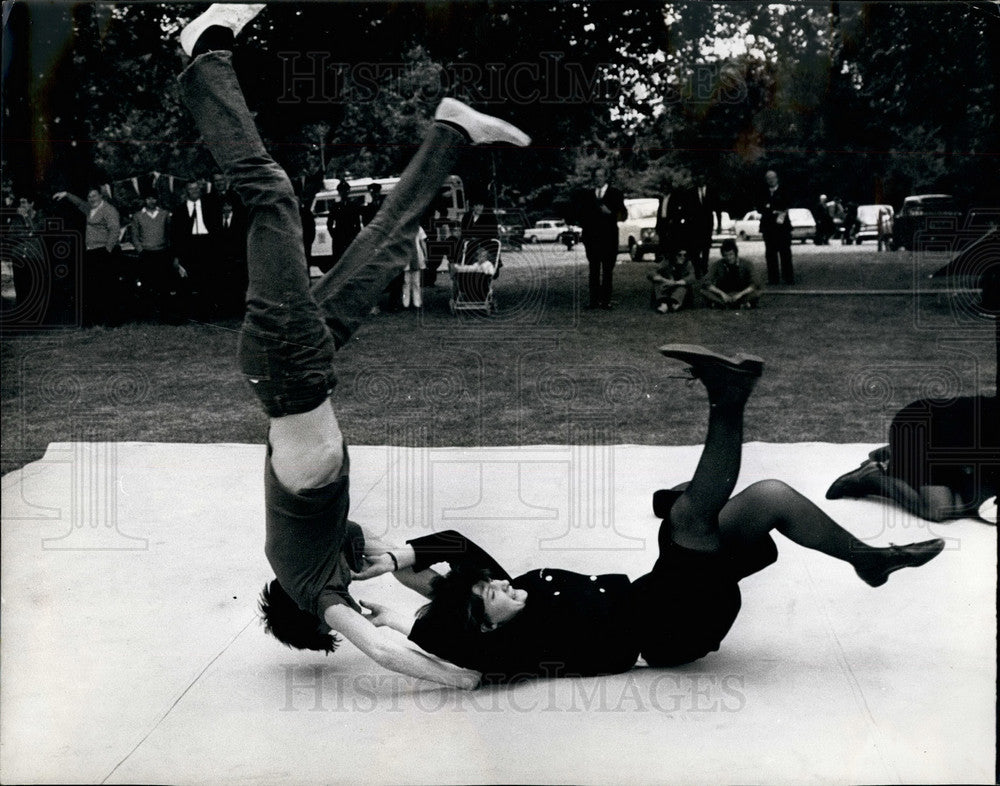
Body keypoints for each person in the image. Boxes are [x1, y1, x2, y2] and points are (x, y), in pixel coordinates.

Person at [176, 3, 529, 688]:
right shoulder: (325, 553)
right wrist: (414, 578)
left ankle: (204, 57)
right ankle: (453, 131)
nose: (353, 612)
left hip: (288, 368)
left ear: (312, 618)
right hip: (307, 364)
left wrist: (463, 678)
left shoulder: (313, 587)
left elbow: (382, 651)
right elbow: (402, 560)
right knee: (384, 247)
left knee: (273, 197)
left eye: (340, 619)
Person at [351, 345, 945, 682]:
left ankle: (868, 559)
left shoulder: (509, 598)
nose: (500, 583)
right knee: (686, 518)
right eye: (492, 597)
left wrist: (397, 559)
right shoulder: (513, 650)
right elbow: (449, 649)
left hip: (660, 590)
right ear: (487, 628)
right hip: (672, 630)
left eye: (492, 583)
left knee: (771, 496)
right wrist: (390, 621)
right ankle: (725, 397)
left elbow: (457, 547)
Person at [826, 395, 999, 523]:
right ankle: (873, 476)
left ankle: (894, 453)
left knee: (972, 503)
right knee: (938, 509)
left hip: (953, 442)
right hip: (922, 429)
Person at [53, 185, 121, 325]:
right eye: (89, 197)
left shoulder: (109, 210)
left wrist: (107, 250)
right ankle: (96, 319)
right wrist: (66, 194)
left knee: (107, 286)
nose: (91, 199)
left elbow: (115, 230)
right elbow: (79, 203)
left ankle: (112, 320)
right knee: (93, 286)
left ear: (101, 196)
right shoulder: (90, 209)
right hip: (91, 251)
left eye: (94, 196)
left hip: (104, 251)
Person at [578, 166, 626, 310]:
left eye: (601, 176)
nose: (598, 179)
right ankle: (593, 300)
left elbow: (623, 215)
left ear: (606, 177)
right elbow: (582, 214)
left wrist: (610, 213)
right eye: (596, 176)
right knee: (593, 270)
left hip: (609, 238)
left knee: (607, 270)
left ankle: (606, 301)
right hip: (592, 238)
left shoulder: (615, 194)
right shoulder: (587, 195)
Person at [172, 178, 218, 317]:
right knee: (187, 280)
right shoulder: (179, 210)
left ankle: (205, 313)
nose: (194, 191)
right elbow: (175, 235)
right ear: (186, 191)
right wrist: (177, 256)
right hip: (188, 246)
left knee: (206, 279)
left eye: (197, 188)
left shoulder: (210, 206)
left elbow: (217, 229)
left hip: (206, 244)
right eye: (191, 189)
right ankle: (187, 312)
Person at [130, 191, 174, 320]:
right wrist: (140, 250)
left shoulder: (165, 214)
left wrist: (168, 250)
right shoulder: (138, 216)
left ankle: (165, 314)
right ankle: (146, 315)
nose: (151, 201)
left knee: (163, 285)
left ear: (157, 199)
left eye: (153, 198)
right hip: (146, 254)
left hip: (162, 253)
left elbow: (170, 233)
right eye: (148, 198)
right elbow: (134, 236)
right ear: (145, 200)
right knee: (146, 285)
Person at [700, 238, 763, 309]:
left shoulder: (747, 264)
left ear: (736, 254)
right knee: (703, 291)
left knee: (758, 291)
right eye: (725, 255)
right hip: (724, 293)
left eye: (731, 254)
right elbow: (706, 282)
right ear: (723, 255)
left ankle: (722, 304)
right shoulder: (717, 264)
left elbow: (755, 282)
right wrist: (722, 294)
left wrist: (740, 294)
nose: (728, 258)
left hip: (741, 292)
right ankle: (735, 304)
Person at [757, 169, 794, 285]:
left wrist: (770, 208)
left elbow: (786, 204)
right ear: (766, 180)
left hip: (782, 228)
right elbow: (759, 208)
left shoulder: (784, 191)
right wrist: (773, 210)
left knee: (785, 253)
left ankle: (788, 278)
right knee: (770, 254)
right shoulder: (763, 192)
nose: (771, 180)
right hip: (768, 228)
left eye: (773, 178)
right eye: (768, 178)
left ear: (777, 179)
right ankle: (773, 279)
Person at [685, 172, 722, 279]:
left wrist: (719, 225)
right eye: (698, 178)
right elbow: (687, 209)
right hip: (694, 225)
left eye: (702, 178)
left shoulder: (712, 191)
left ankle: (704, 267)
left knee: (706, 247)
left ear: (705, 179)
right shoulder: (691, 192)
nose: (700, 181)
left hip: (707, 224)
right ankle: (697, 268)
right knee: (694, 248)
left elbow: (718, 209)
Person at [324, 179, 362, 271]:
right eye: (341, 191)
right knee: (338, 261)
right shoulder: (335, 206)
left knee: (351, 261)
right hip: (339, 237)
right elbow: (329, 223)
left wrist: (354, 236)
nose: (344, 193)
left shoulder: (353, 206)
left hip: (350, 236)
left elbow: (357, 223)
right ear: (339, 192)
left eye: (346, 191)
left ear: (348, 192)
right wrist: (334, 235)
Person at [648, 247, 696, 313]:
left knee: (683, 287)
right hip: (666, 285)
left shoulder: (688, 264)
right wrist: (664, 280)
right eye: (679, 255)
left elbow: (692, 277)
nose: (682, 257)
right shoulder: (667, 262)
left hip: (679, 286)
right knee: (657, 283)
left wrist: (675, 283)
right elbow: (652, 273)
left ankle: (673, 303)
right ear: (674, 255)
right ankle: (663, 303)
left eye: (685, 255)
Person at [654, 180, 685, 263]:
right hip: (663, 222)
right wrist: (657, 225)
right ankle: (665, 259)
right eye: (663, 188)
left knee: (672, 243)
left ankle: (672, 260)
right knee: (663, 242)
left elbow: (678, 211)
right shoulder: (662, 198)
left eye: (666, 188)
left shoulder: (674, 198)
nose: (665, 189)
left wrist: (674, 220)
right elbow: (660, 212)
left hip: (671, 223)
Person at [402, 224, 427, 309]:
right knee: (406, 281)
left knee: (416, 281)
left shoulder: (418, 228)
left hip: (417, 255)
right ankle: (406, 302)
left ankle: (417, 302)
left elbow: (422, 242)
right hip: (406, 255)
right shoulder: (403, 228)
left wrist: (425, 254)